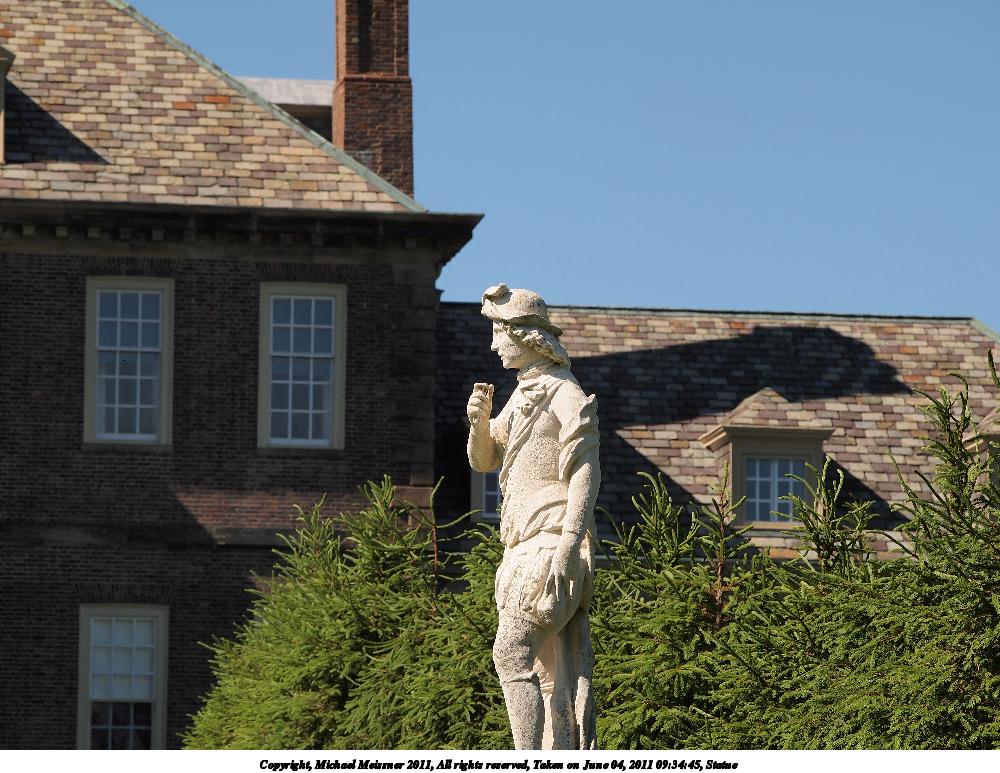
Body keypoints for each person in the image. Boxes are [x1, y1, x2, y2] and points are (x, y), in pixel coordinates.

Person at [466, 283, 600, 750]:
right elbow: (485, 460)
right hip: (521, 545)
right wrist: (479, 423)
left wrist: (568, 546)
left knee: (510, 653)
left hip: (550, 540)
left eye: (498, 333)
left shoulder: (563, 392)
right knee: (548, 670)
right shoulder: (525, 392)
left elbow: (585, 471)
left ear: (525, 336)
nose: (493, 345)